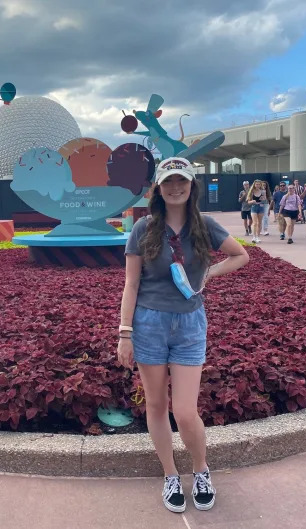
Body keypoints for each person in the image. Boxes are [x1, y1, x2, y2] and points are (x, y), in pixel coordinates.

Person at [119, 157, 249, 514]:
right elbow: (131, 284)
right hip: (148, 324)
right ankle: (170, 475)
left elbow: (241, 256)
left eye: (182, 182)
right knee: (158, 406)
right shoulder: (144, 228)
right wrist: (124, 333)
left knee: (186, 411)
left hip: (190, 324)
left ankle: (201, 470)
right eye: (168, 182)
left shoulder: (204, 226)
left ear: (192, 187)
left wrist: (208, 274)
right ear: (158, 189)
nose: (175, 187)